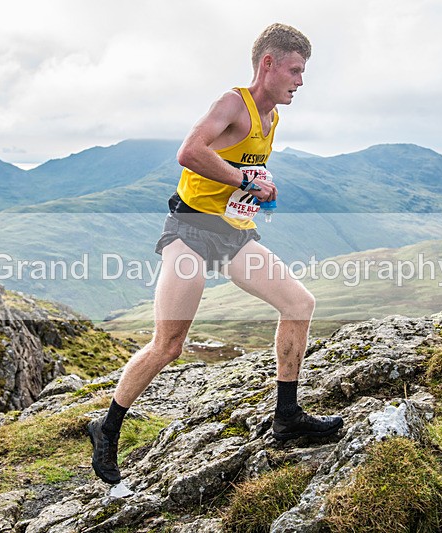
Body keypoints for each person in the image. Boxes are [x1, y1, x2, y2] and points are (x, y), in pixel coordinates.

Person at [87, 22, 343, 484]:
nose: (300, 82)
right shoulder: (233, 104)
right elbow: (189, 152)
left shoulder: (272, 118)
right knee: (169, 345)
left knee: (300, 304)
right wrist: (246, 180)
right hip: (189, 231)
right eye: (295, 71)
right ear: (268, 64)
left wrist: (260, 187)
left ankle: (286, 416)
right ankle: (106, 429)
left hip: (233, 232)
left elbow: (241, 167)